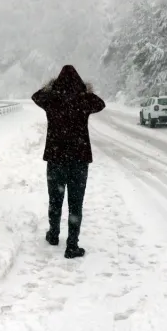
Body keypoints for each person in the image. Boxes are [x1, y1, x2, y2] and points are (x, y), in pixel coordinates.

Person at [31, 65, 106, 259]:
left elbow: (36, 96)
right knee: (75, 204)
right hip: (79, 161)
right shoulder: (83, 100)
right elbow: (100, 103)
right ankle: (72, 245)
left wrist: (52, 87)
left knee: (55, 200)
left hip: (56, 159)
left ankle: (54, 235)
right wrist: (84, 91)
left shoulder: (52, 99)